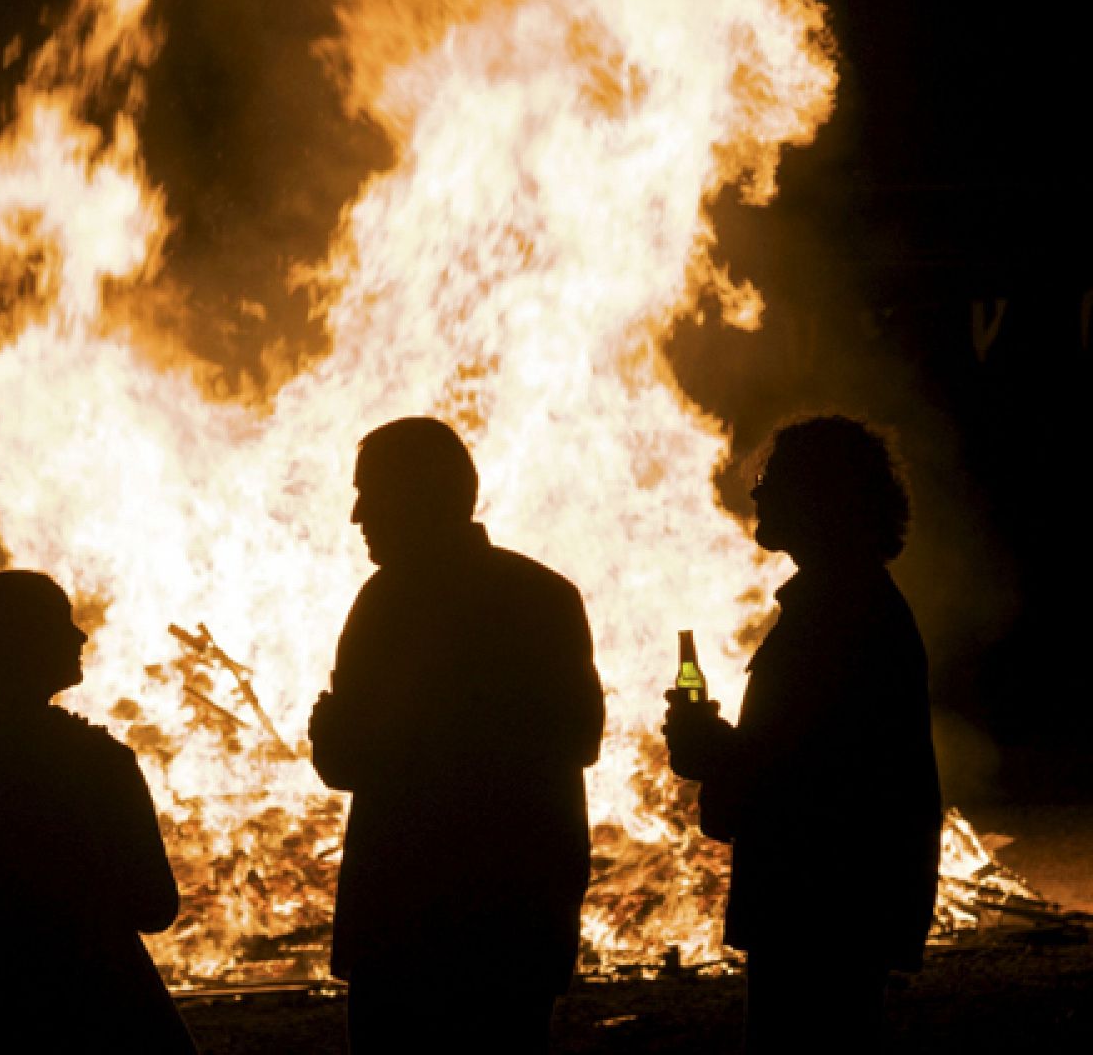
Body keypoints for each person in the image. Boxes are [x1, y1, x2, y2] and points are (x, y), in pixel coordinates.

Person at [308, 416, 605, 1052]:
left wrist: (329, 728)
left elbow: (348, 759)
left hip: (406, 917)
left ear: (416, 496)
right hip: (520, 914)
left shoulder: (387, 604)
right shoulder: (546, 595)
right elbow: (581, 738)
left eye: (370, 493)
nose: (357, 515)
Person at [663, 414, 942, 1054]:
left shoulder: (841, 612)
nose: (757, 494)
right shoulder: (843, 600)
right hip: (831, 897)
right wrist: (720, 751)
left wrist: (713, 751)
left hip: (824, 903)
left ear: (822, 496)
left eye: (772, 479)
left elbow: (811, 777)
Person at [0, 570, 195, 1054]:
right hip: (109, 1015)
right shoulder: (98, 762)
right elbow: (154, 905)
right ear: (28, 643)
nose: (79, 635)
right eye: (61, 623)